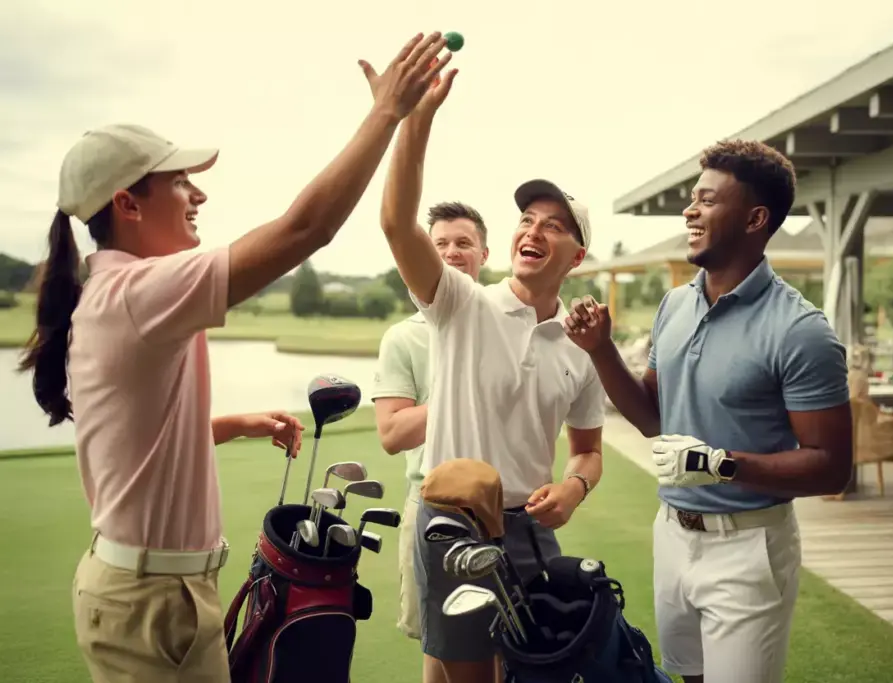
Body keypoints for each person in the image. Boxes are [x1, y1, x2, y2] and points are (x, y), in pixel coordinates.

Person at [18, 32, 450, 683]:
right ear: (127, 204)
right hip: (149, 602)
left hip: (161, 592)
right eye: (180, 182)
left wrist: (233, 424)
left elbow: (139, 444)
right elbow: (305, 228)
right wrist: (387, 113)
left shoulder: (122, 292)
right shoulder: (137, 292)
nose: (198, 196)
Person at [359, 35, 607, 683]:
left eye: (553, 225)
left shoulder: (580, 348)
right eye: (527, 218)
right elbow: (396, 223)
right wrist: (418, 120)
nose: (533, 230)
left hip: (532, 532)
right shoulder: (461, 302)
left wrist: (575, 487)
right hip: (455, 523)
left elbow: (587, 450)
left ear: (577, 256)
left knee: (537, 670)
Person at [562, 139, 853, 683]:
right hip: (672, 532)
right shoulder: (675, 304)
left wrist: (718, 464)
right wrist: (600, 350)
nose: (689, 211)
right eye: (692, 199)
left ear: (755, 219)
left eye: (707, 200)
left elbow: (832, 467)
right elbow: (653, 418)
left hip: (749, 547)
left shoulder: (801, 331)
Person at [369, 201, 490, 650]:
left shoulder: (508, 323)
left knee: (509, 641)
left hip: (506, 507)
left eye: (464, 243)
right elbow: (392, 434)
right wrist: (463, 392)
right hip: (432, 504)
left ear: (484, 254)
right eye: (440, 244)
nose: (452, 252)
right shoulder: (403, 337)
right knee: (438, 645)